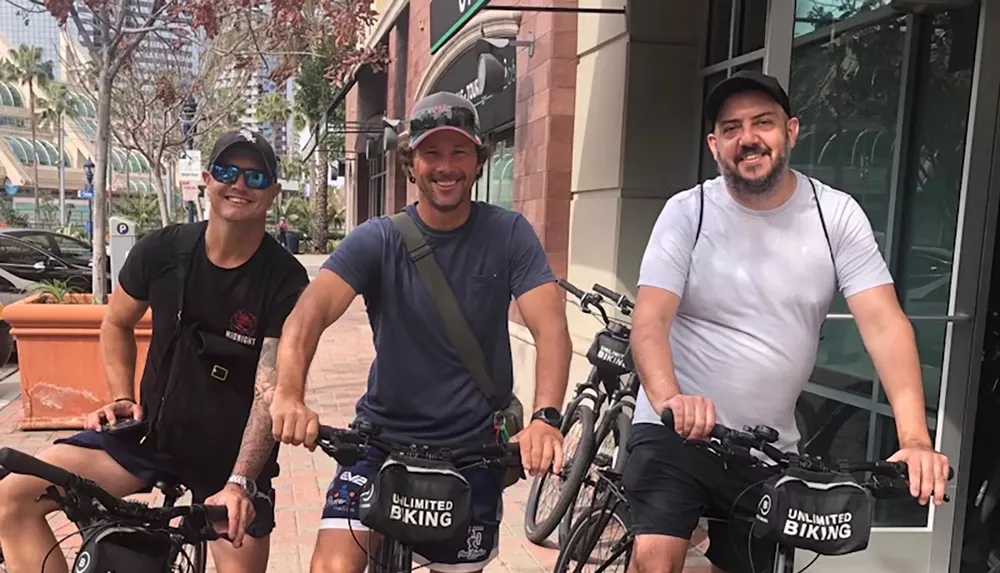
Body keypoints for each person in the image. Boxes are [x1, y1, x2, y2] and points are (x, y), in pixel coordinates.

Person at [622, 70, 952, 573]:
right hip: (676, 433)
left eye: (763, 123)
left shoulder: (835, 214)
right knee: (656, 560)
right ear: (715, 145)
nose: (748, 138)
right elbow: (649, 321)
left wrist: (914, 440)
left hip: (766, 447)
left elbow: (884, 324)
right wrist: (670, 399)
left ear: (791, 132)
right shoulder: (688, 213)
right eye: (731, 128)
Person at [269, 91, 573, 573]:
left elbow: (551, 328)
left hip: (473, 452)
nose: (445, 166)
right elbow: (308, 313)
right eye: (431, 153)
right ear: (411, 164)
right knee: (332, 568)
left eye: (459, 152)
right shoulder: (379, 238)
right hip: (379, 443)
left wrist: (545, 417)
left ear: (478, 161)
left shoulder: (510, 234)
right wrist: (288, 393)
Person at [0, 129, 310, 573]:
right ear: (208, 178)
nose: (239, 185)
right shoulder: (163, 250)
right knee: (12, 495)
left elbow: (270, 390)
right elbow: (116, 323)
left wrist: (241, 481)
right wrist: (122, 396)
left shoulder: (285, 279)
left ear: (273, 193)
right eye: (227, 171)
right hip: (151, 440)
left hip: (230, 462)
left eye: (255, 177)